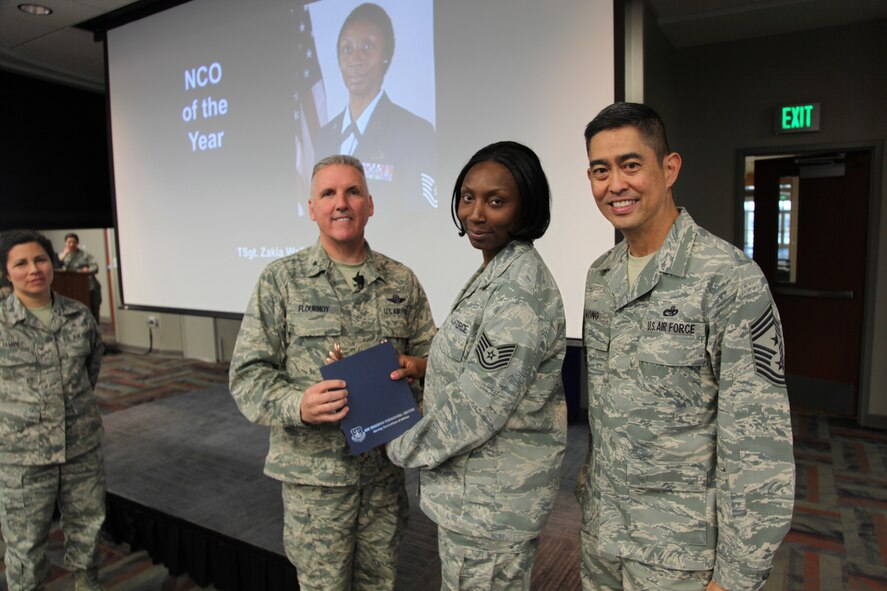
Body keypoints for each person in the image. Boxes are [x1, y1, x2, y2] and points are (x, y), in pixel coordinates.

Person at [576, 102, 795, 591]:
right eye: (600, 170)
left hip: (681, 557)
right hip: (602, 537)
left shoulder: (728, 279)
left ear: (669, 168)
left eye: (631, 165)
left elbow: (759, 446)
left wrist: (736, 578)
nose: (616, 184)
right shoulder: (601, 276)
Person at [229, 154, 436, 591]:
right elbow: (247, 376)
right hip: (316, 484)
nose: (341, 203)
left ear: (370, 204)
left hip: (384, 476)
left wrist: (418, 366)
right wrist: (298, 405)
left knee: (379, 584)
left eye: (353, 191)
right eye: (328, 193)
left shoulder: (402, 281)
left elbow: (436, 361)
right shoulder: (280, 281)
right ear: (311, 208)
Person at [387, 141, 567, 590]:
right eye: (468, 197)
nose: (476, 214)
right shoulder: (499, 269)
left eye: (496, 201)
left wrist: (393, 444)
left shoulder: (517, 289)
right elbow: (488, 369)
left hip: (490, 510)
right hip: (481, 500)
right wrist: (427, 366)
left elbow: (475, 412)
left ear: (526, 207)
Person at [0, 229, 106, 591]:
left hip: (80, 446)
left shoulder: (78, 316)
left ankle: (87, 583)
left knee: (87, 529)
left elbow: (90, 370)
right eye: (21, 263)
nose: (34, 269)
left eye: (41, 259)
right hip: (22, 456)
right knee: (25, 544)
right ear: (6, 271)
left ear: (53, 263)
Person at [315, 3, 437, 209]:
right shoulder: (324, 135)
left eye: (368, 47)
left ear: (386, 55)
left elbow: (423, 212)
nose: (355, 60)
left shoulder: (415, 132)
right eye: (347, 49)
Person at [59, 232, 102, 322]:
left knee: (93, 312)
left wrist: (86, 270)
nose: (71, 244)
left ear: (77, 243)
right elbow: (57, 268)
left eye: (73, 242)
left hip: (90, 287)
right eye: (69, 242)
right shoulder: (62, 256)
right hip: (72, 289)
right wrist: (64, 255)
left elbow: (95, 267)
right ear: (65, 243)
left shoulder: (85, 254)